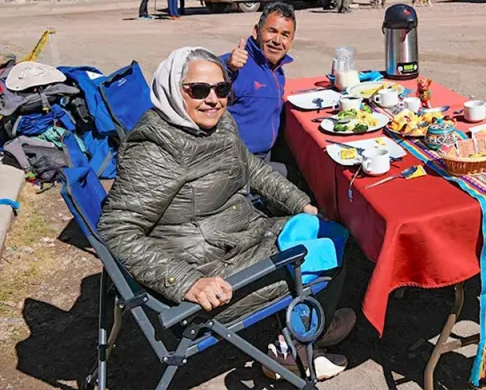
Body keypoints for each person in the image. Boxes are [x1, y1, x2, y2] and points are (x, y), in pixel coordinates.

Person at [97, 47, 355, 380]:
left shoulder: (217, 124)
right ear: (173, 89)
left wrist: (300, 203)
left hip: (241, 237)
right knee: (331, 253)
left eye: (221, 89)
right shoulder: (156, 150)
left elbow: (251, 168)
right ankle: (295, 348)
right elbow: (117, 229)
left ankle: (311, 323)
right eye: (198, 90)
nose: (213, 99)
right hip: (213, 272)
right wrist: (187, 283)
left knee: (329, 229)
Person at [221, 3, 298, 178]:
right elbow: (204, 83)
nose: (277, 40)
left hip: (267, 152)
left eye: (285, 35)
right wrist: (227, 68)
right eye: (272, 31)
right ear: (256, 32)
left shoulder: (275, 68)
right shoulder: (238, 64)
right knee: (297, 179)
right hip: (239, 162)